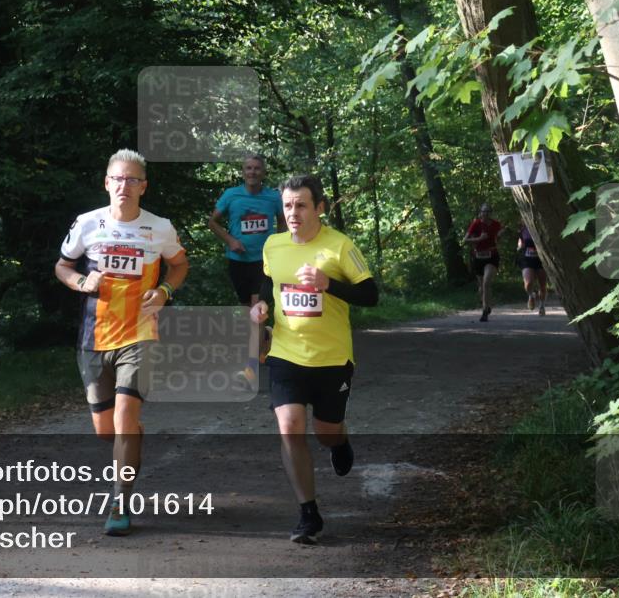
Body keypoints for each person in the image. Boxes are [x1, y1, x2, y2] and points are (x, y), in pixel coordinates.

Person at [54, 149, 189, 536]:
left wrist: (163, 290)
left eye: (132, 180)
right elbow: (62, 265)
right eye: (118, 178)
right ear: (107, 183)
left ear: (143, 187)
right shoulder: (87, 223)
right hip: (94, 336)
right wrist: (81, 282)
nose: (124, 186)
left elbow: (179, 265)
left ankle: (120, 500)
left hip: (140, 333)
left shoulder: (159, 227)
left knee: (126, 416)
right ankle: (129, 439)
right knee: (106, 429)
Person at [249, 175, 378, 544]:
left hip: (332, 358)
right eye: (288, 205)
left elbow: (371, 294)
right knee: (289, 426)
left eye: (301, 204)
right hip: (286, 354)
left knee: (325, 432)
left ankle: (339, 441)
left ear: (319, 207)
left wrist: (328, 284)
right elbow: (267, 282)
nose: (293, 212)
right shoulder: (273, 245)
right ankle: (308, 513)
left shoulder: (339, 246)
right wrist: (260, 304)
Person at [207, 155, 283, 382]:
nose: (253, 172)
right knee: (246, 313)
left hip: (264, 262)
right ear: (243, 172)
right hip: (238, 261)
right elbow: (213, 222)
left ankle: (250, 369)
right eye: (248, 168)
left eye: (257, 168)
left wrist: (277, 245)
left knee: (255, 311)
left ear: (263, 172)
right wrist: (230, 240)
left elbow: (283, 221)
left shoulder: (273, 197)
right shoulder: (231, 195)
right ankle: (264, 341)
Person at [464, 203, 505, 322]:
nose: (485, 214)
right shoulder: (476, 223)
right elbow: (465, 240)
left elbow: (498, 237)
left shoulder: (496, 224)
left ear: (490, 213)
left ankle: (484, 311)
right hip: (478, 257)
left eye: (488, 211)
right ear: (480, 213)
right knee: (482, 287)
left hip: (492, 256)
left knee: (486, 282)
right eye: (483, 211)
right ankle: (487, 305)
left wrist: (500, 235)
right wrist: (479, 239)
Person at [518, 223, 547, 316]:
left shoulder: (542, 227)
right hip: (527, 258)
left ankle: (542, 306)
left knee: (542, 285)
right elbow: (520, 242)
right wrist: (519, 246)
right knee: (528, 283)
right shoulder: (523, 229)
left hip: (541, 259)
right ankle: (531, 295)